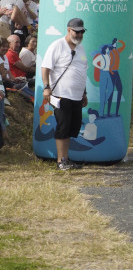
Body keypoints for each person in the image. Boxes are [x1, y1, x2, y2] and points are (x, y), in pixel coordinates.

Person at [41, 18, 89, 171]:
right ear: (69, 29)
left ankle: (66, 159)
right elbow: (46, 67)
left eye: (82, 31)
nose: (79, 34)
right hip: (62, 95)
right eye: (77, 31)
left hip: (77, 96)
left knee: (71, 128)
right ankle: (60, 161)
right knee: (63, 127)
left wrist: (84, 93)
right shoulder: (57, 45)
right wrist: (46, 87)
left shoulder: (80, 48)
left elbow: (82, 72)